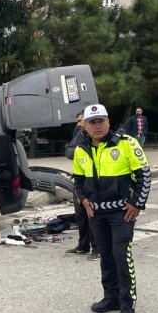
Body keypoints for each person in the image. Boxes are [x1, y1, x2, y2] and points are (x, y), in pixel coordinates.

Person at [73, 104, 151, 313]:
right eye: (92, 122)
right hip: (96, 214)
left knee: (121, 256)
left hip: (121, 213)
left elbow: (144, 175)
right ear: (85, 125)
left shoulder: (126, 144)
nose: (97, 126)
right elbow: (78, 181)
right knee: (106, 256)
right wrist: (84, 200)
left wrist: (137, 203)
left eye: (101, 121)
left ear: (108, 122)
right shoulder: (81, 149)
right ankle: (111, 298)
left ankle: (127, 305)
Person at [64, 111, 98, 260]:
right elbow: (69, 151)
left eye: (80, 120)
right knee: (81, 216)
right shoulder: (80, 135)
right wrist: (80, 151)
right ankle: (83, 245)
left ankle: (97, 249)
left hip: (95, 182)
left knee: (94, 216)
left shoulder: (99, 137)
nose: (78, 124)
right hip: (80, 180)